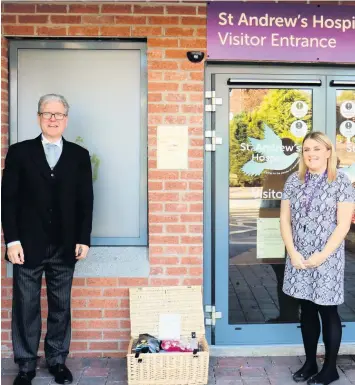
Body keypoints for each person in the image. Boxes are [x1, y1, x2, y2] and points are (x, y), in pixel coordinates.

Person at [1, 94, 94, 385]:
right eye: (47, 113)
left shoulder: (79, 155)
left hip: (66, 245)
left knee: (61, 305)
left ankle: (57, 360)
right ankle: (26, 364)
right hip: (27, 246)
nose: (53, 119)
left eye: (58, 114)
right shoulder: (19, 152)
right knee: (26, 306)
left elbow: (85, 201)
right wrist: (11, 241)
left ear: (66, 118)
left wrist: (83, 238)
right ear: (39, 117)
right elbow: (8, 199)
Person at [280, 131, 355, 385]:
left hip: (327, 257)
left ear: (328, 152)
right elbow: (284, 220)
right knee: (307, 309)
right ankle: (311, 362)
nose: (311, 154)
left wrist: (321, 256)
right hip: (299, 255)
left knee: (327, 309)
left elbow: (343, 225)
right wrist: (292, 252)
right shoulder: (293, 180)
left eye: (316, 149)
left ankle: (330, 368)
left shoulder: (341, 182)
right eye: (306, 149)